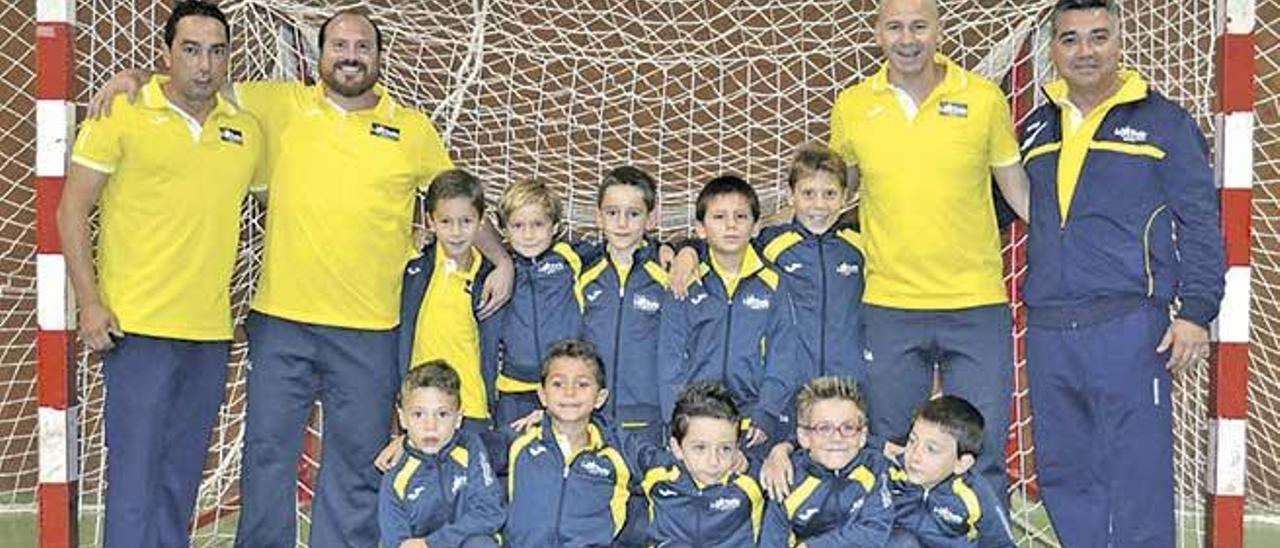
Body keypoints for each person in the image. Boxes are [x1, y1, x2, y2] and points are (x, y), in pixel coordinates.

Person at [87, 11, 516, 545]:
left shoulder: (411, 128)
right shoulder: (279, 105)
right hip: (282, 321)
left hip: (369, 326)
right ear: (320, 55)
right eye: (339, 44)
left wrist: (501, 259)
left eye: (362, 45)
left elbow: (456, 203)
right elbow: (196, 82)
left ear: (380, 57)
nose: (351, 54)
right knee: (267, 455)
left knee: (357, 462)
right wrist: (138, 80)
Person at [1018, 1, 1225, 545]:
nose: (1084, 51)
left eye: (1097, 36)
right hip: (1048, 326)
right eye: (1070, 39)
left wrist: (1197, 312)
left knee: (1138, 475)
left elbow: (1202, 223)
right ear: (1053, 49)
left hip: (1130, 324)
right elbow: (983, 206)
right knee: (1064, 475)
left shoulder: (1164, 123)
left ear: (1118, 40)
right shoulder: (1036, 127)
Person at [56, 3, 261, 546]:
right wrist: (88, 302)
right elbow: (71, 210)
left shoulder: (246, 131)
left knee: (180, 483)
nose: (204, 64)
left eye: (216, 51)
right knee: (133, 484)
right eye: (190, 49)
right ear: (167, 54)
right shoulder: (121, 112)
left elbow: (291, 202)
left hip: (208, 336)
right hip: (136, 328)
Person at [826, 0, 1031, 497]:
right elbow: (831, 194)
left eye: (919, 26)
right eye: (894, 27)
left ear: (940, 29)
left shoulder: (983, 98)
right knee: (890, 449)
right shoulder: (853, 105)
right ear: (877, 33)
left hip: (975, 302)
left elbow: (1018, 190)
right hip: (890, 305)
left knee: (976, 453)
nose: (908, 38)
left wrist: (1079, 242)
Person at [658, 175, 802, 465]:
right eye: (719, 217)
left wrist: (767, 412)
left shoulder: (773, 282)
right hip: (696, 415)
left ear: (756, 226)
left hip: (751, 417)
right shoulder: (685, 280)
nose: (731, 225)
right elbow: (669, 356)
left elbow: (783, 355)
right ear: (700, 228)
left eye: (741, 216)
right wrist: (676, 416)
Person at [505, 339, 632, 548]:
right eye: (558, 384)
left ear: (600, 398)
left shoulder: (616, 455)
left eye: (582, 384)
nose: (569, 392)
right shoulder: (520, 441)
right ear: (542, 395)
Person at [397, 170, 497, 432]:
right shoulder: (414, 266)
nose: (456, 232)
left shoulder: (490, 279)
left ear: (480, 221)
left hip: (471, 410)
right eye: (445, 221)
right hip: (422, 409)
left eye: (466, 221)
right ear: (430, 221)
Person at [487, 178, 587, 433]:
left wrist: (669, 249)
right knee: (511, 459)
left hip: (565, 386)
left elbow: (626, 249)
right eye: (518, 225)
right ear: (505, 230)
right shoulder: (501, 267)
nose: (528, 234)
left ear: (555, 227)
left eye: (538, 224)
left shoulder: (571, 258)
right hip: (513, 388)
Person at [758, 376, 894, 547]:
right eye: (824, 428)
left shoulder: (876, 468)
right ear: (804, 437)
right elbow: (771, 542)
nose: (837, 438)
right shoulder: (786, 478)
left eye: (848, 427)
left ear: (862, 436)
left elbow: (875, 530)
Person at [378, 362, 504, 548]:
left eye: (442, 414)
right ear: (402, 418)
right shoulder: (396, 476)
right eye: (419, 414)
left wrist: (433, 543)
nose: (431, 426)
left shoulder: (470, 448)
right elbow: (398, 542)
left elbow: (491, 512)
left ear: (459, 417)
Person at [887, 396, 1014, 547]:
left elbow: (1001, 544)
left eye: (931, 450)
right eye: (912, 441)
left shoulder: (975, 494)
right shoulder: (888, 473)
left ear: (961, 464)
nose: (915, 456)